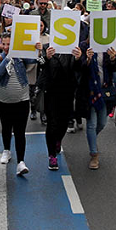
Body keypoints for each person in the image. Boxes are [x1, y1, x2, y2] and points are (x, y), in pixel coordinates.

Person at [0, 32, 38, 176]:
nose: (6, 47)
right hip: (3, 101)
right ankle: (6, 150)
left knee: (20, 131)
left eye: (9, 44)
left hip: (22, 100)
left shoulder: (22, 57)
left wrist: (38, 49)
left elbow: (36, 60)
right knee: (6, 126)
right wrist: (8, 57)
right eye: (4, 44)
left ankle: (21, 162)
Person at [39, 43, 81, 171]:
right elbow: (40, 64)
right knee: (52, 123)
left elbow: (78, 69)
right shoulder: (47, 47)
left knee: (63, 122)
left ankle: (58, 140)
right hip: (51, 91)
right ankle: (52, 155)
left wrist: (78, 58)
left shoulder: (72, 48)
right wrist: (47, 57)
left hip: (67, 90)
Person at [77, 42, 116, 170]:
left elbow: (114, 68)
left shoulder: (107, 45)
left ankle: (92, 139)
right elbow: (80, 69)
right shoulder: (85, 46)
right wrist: (88, 59)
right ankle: (94, 154)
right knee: (92, 123)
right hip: (90, 91)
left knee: (102, 122)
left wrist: (112, 58)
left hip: (104, 91)